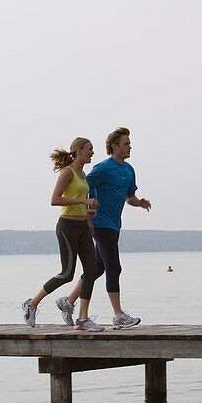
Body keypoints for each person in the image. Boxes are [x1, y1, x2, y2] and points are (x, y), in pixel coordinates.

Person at [57, 127, 151, 329]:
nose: (129, 147)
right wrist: (88, 215)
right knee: (114, 267)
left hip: (115, 225)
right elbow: (82, 187)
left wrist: (140, 202)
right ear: (114, 147)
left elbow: (129, 197)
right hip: (100, 223)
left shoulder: (128, 170)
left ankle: (69, 301)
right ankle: (118, 316)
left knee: (97, 268)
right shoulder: (102, 168)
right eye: (125, 144)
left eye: (129, 143)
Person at [22, 138, 104, 332]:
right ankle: (32, 303)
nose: (92, 153)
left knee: (91, 271)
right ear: (79, 150)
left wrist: (89, 217)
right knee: (67, 274)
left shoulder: (83, 174)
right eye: (90, 149)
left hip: (83, 226)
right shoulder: (67, 172)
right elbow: (55, 200)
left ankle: (83, 319)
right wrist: (84, 203)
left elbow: (81, 200)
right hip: (67, 227)